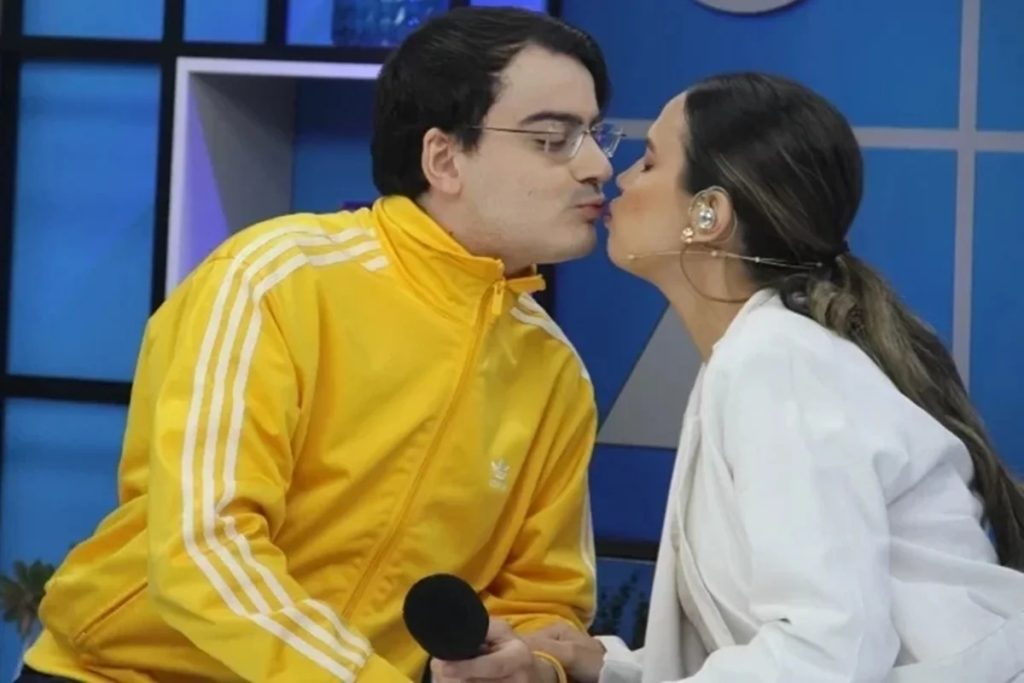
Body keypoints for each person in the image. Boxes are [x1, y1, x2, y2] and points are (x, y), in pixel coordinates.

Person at [19, 7, 625, 683]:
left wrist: (534, 663)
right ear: (444, 158)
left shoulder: (554, 370)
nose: (598, 165)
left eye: (594, 134)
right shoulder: (274, 280)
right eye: (553, 139)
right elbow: (206, 547)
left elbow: (544, 598)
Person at [432, 73, 1024, 683]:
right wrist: (612, 668)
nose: (618, 177)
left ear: (709, 213)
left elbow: (827, 658)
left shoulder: (776, 361)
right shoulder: (761, 352)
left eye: (650, 162)